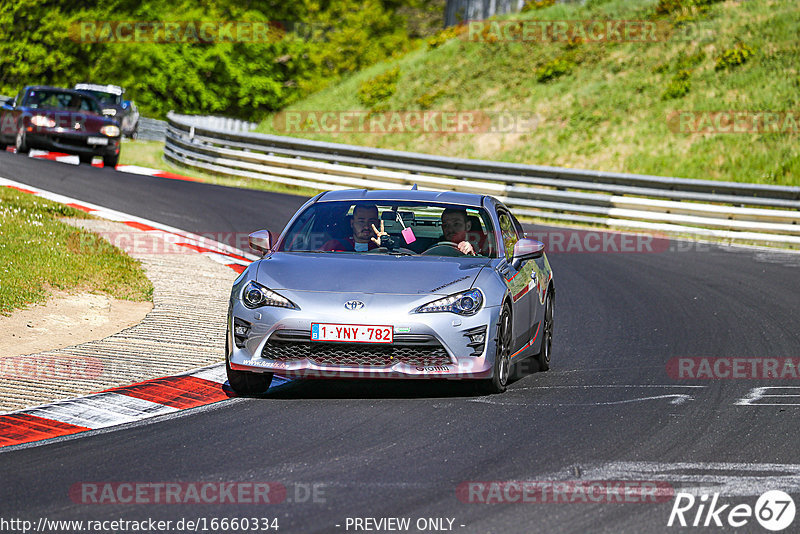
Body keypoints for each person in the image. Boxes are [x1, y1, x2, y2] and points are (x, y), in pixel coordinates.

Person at [321, 204, 389, 252]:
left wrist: (385, 246)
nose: (366, 226)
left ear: (378, 223)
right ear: (352, 223)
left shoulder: (387, 248)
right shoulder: (334, 245)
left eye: (371, 221)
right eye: (361, 221)